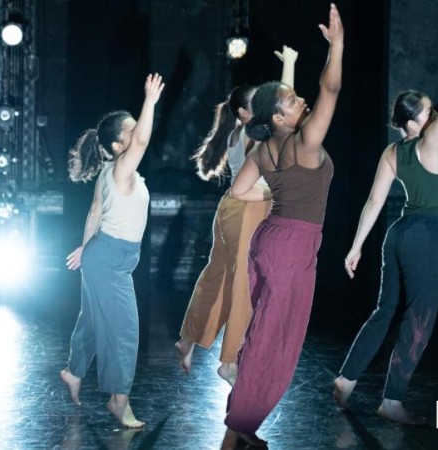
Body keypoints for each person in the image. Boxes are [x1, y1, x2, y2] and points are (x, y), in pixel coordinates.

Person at [333, 23, 438, 425]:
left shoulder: (392, 152)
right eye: (427, 113)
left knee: (384, 311)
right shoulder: (428, 144)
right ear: (413, 124)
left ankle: (346, 379)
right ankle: (391, 399)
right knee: (420, 319)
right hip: (425, 237)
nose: (435, 116)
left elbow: (375, 201)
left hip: (396, 235)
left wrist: (357, 245)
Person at [224, 4, 344, 446]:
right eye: (291, 102)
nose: (301, 102)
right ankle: (242, 421)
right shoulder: (305, 141)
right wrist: (338, 46)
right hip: (292, 244)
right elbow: (330, 89)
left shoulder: (266, 148)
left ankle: (242, 417)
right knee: (276, 337)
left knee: (265, 330)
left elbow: (239, 192)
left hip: (272, 239)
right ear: (278, 117)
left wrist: (276, 195)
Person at [175, 47, 298, 386]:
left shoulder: (238, 133)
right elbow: (286, 111)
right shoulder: (249, 132)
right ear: (245, 112)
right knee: (243, 283)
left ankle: (188, 338)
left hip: (230, 209)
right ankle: (230, 360)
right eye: (258, 102)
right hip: (248, 209)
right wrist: (288, 66)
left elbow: (283, 109)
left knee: (217, 276)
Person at [59, 73, 165, 428]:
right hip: (110, 260)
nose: (137, 136)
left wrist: (84, 251)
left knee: (93, 320)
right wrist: (149, 101)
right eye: (131, 133)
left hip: (102, 256)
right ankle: (119, 400)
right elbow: (144, 140)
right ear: (121, 146)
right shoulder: (120, 169)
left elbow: (94, 214)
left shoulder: (110, 172)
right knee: (125, 331)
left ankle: (74, 372)